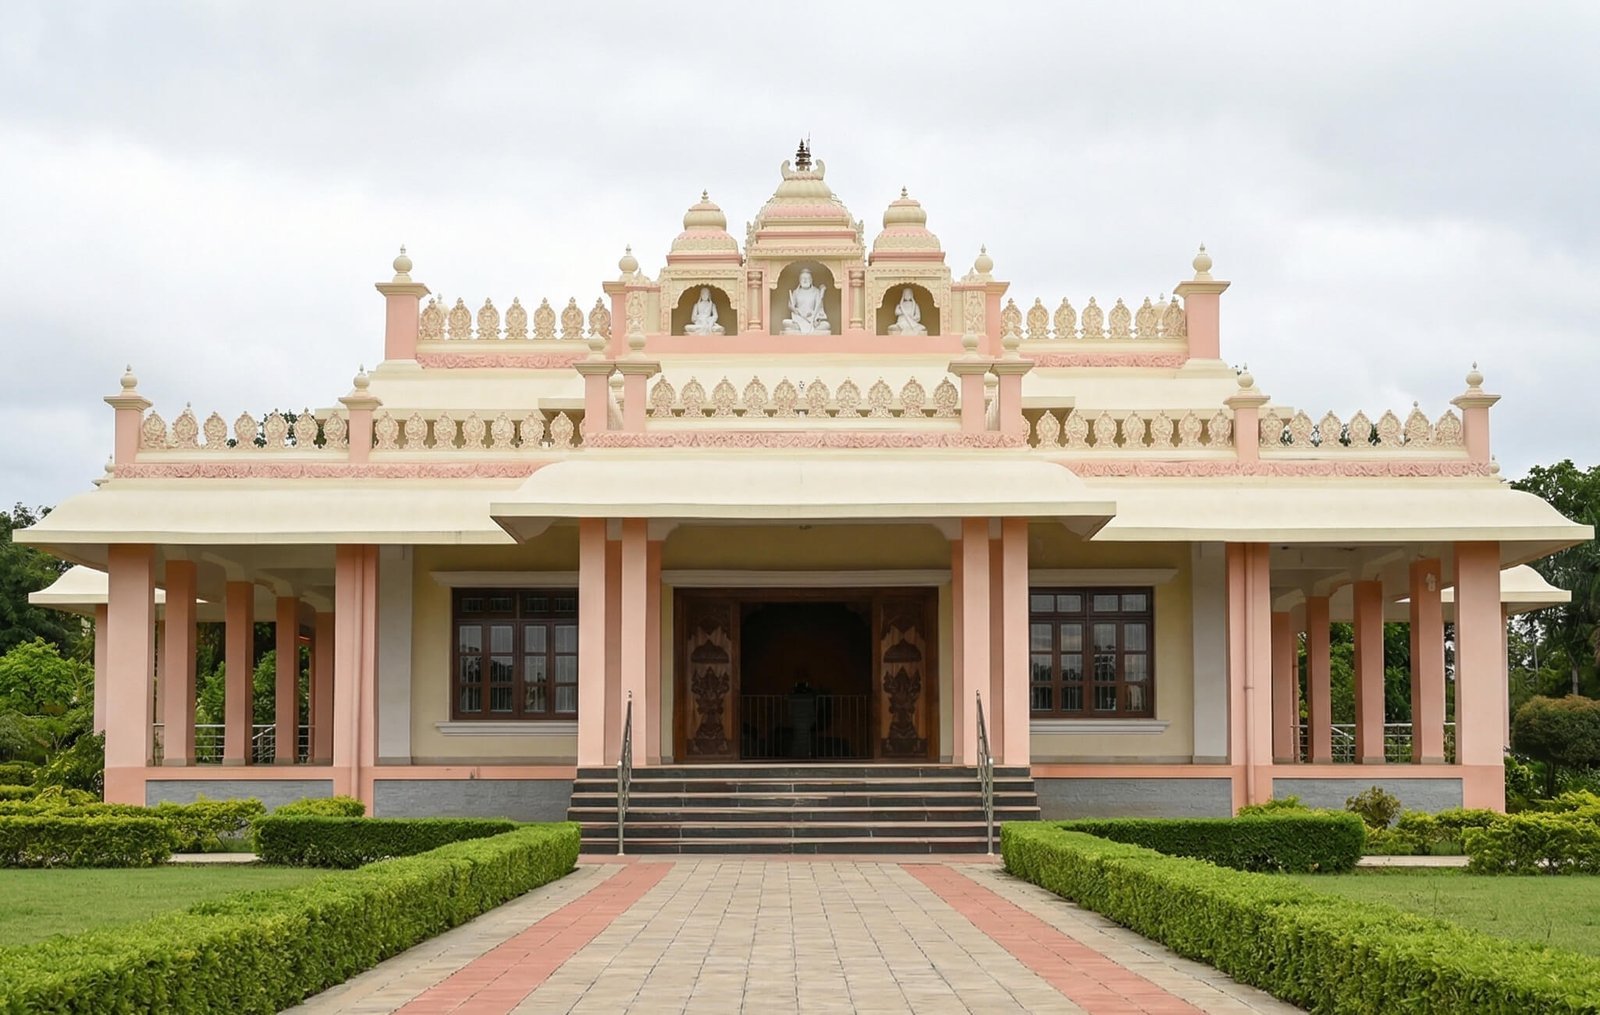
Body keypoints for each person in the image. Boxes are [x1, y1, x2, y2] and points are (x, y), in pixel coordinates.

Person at [781, 269, 829, 334]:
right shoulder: (796, 292)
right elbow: (791, 305)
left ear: (811, 280)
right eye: (803, 278)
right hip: (799, 318)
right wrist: (794, 309)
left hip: (812, 318)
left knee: (826, 325)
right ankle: (800, 327)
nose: (805, 280)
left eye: (807, 278)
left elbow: (819, 308)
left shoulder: (816, 292)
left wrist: (817, 319)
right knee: (785, 322)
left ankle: (808, 328)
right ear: (799, 280)